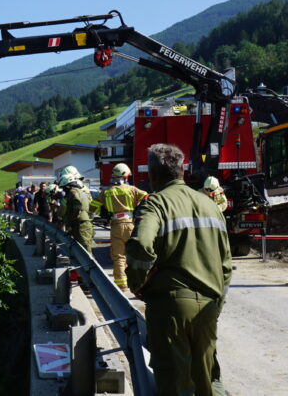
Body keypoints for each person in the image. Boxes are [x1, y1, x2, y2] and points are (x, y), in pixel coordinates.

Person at [125, 144, 231, 396]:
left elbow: (141, 244)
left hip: (170, 308)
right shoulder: (211, 206)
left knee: (174, 382)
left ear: (152, 175)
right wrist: (217, 304)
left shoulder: (156, 204)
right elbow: (225, 265)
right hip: (208, 307)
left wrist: (137, 283)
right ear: (182, 170)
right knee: (208, 380)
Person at [90, 163, 147, 292]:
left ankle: (122, 286)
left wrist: (104, 212)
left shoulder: (107, 192)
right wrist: (138, 209)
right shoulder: (132, 189)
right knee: (134, 254)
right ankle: (138, 283)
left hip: (116, 225)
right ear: (125, 177)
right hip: (131, 224)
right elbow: (147, 197)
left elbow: (92, 206)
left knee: (119, 257)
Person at [58, 167, 94, 251]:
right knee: (83, 247)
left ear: (67, 186)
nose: (63, 189)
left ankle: (89, 264)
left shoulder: (73, 192)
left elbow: (77, 205)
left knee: (85, 250)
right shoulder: (80, 191)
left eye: (64, 187)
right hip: (83, 222)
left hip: (80, 224)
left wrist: (72, 217)